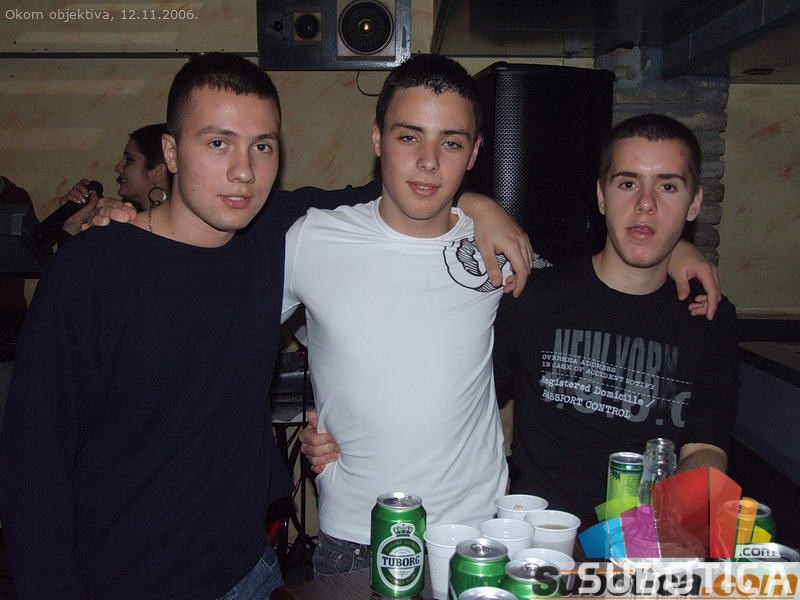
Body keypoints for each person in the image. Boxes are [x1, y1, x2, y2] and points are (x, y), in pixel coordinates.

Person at [0, 53, 533, 600]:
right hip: (124, 581)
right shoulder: (95, 269)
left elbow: (403, 193)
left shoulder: (270, 234)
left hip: (251, 571)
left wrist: (480, 203)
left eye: (262, 147)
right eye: (217, 143)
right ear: (170, 152)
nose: (243, 171)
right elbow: (32, 461)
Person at [285, 58, 723, 578]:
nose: (428, 162)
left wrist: (670, 251)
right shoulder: (316, 240)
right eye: (409, 137)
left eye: (450, 143)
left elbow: (709, 447)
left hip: (508, 540)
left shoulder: (700, 312)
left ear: (473, 153)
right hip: (398, 535)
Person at [493, 113, 738, 522]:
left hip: (645, 539)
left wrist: (665, 531)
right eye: (628, 184)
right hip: (540, 538)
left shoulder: (708, 315)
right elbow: (463, 399)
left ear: (694, 203)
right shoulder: (533, 297)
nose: (646, 203)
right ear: (601, 196)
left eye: (668, 186)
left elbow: (707, 448)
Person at [59, 123, 172, 236]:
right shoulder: (118, 221)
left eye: (129, 160)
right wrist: (72, 226)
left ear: (157, 172)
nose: (118, 168)